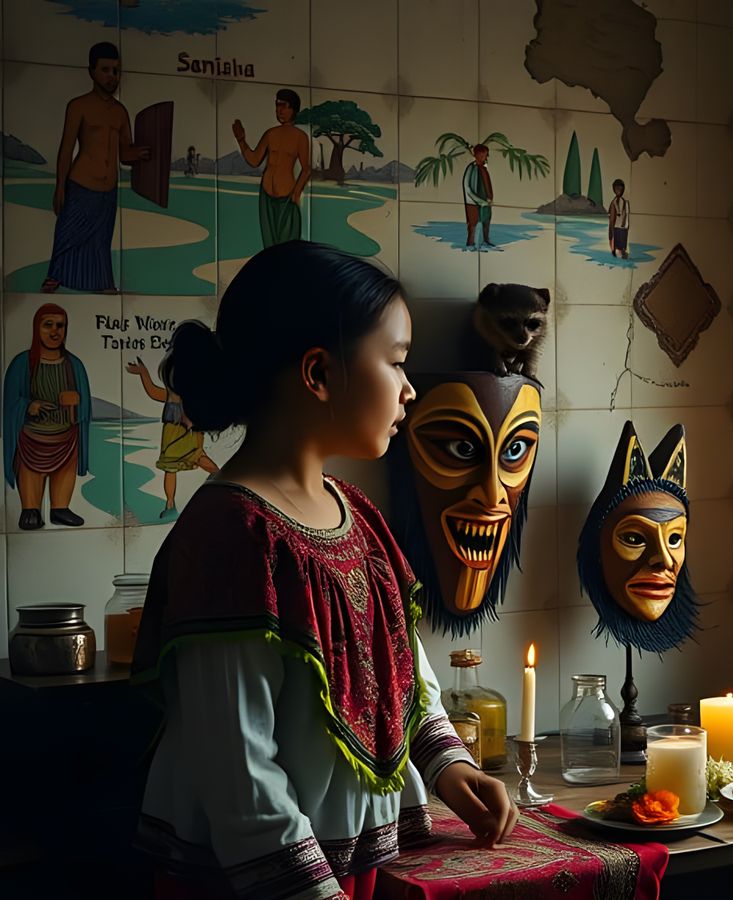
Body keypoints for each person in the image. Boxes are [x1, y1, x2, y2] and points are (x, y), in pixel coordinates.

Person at [132, 242, 516, 899]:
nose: (409, 387)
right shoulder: (233, 536)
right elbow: (240, 772)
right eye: (395, 362)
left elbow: (397, 670)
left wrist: (449, 766)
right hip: (259, 882)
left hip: (347, 870)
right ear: (318, 373)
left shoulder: (355, 516)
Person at [43, 41, 151, 293]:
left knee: (100, 242)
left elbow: (124, 154)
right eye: (106, 70)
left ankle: (103, 284)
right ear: (91, 71)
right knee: (68, 235)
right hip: (81, 183)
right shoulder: (79, 106)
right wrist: (60, 187)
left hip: (108, 189)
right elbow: (66, 149)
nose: (112, 77)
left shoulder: (120, 112)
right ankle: (55, 276)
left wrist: (140, 154)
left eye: (116, 71)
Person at [2, 303, 92, 530]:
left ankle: (60, 508)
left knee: (65, 470)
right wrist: (28, 405)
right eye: (48, 325)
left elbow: (85, 405)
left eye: (60, 326)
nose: (55, 331)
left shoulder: (75, 365)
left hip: (66, 435)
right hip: (33, 437)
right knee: (31, 471)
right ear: (37, 328)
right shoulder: (22, 364)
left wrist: (76, 404)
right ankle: (30, 509)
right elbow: (10, 401)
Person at [125, 354, 219, 518]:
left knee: (198, 457)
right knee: (172, 468)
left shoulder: (198, 395)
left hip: (189, 436)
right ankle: (170, 505)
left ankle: (223, 480)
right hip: (172, 437)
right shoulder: (172, 394)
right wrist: (143, 373)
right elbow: (153, 392)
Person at [233, 89, 311, 248]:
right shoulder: (270, 134)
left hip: (287, 199)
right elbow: (254, 160)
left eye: (283, 106)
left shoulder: (300, 137)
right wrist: (241, 140)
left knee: (288, 248)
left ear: (293, 109)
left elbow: (306, 169)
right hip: (266, 195)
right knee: (269, 248)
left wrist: (297, 192)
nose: (279, 110)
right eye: (277, 106)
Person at [462, 144, 494, 247]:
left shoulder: (484, 169)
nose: (486, 157)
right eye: (484, 155)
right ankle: (470, 244)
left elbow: (488, 185)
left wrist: (489, 199)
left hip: (485, 202)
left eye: (486, 155)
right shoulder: (471, 168)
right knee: (472, 225)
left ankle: (486, 240)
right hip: (473, 203)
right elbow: (467, 187)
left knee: (486, 221)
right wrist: (478, 200)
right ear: (478, 155)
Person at [607, 178, 631, 259]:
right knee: (617, 240)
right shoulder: (614, 202)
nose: (618, 190)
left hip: (622, 226)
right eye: (617, 188)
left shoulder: (624, 202)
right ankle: (617, 252)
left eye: (620, 188)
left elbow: (625, 214)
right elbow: (612, 214)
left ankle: (622, 252)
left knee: (622, 240)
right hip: (617, 225)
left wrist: (626, 224)